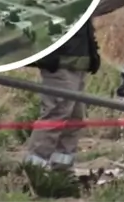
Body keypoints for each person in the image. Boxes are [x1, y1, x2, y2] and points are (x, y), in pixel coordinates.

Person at [23, 17, 101, 171]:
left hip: (77, 62)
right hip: (61, 63)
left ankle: (62, 170)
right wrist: (47, 57)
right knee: (57, 113)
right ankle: (34, 169)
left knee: (74, 117)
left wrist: (92, 55)